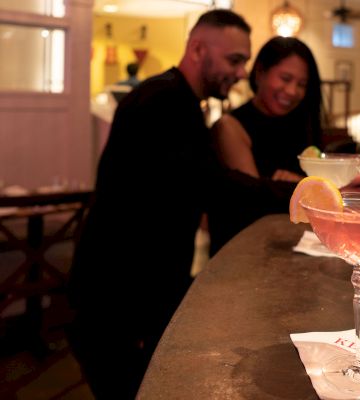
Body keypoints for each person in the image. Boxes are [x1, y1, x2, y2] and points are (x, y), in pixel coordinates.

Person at [67, 10, 294, 399]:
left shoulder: (180, 101)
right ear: (197, 49)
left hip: (136, 295)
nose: (241, 73)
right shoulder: (162, 102)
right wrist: (297, 194)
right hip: (117, 302)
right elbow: (211, 184)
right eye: (235, 60)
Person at [211, 36, 323, 183]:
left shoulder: (302, 120)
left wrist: (300, 181)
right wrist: (303, 184)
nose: (292, 91)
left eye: (302, 84)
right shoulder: (231, 126)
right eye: (285, 78)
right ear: (259, 72)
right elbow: (254, 195)